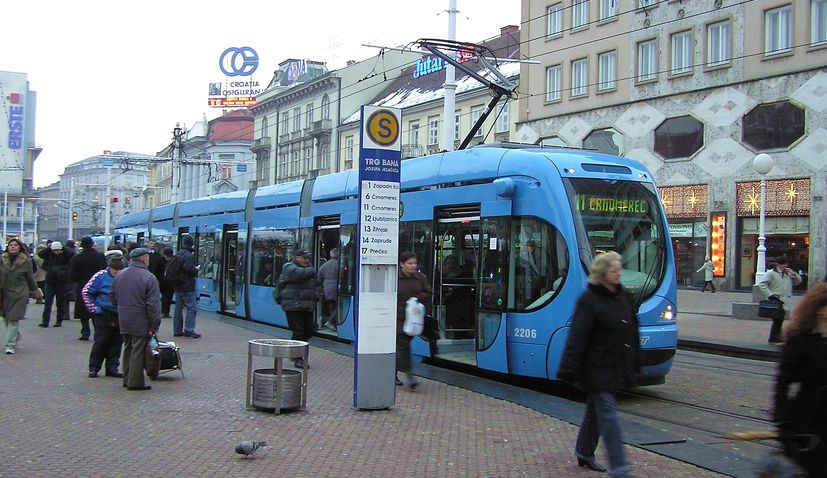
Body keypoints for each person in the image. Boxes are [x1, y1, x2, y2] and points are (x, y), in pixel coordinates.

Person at [557, 251, 639, 478]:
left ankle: (583, 451)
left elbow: (630, 331)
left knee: (595, 411)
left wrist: (633, 362)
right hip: (595, 368)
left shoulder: (622, 296)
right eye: (614, 270)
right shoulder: (589, 300)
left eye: (619, 269)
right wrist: (568, 368)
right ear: (602, 274)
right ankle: (620, 468)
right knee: (610, 417)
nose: (618, 273)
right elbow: (577, 336)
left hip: (614, 365)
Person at [772, 283, 827, 477]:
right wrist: (783, 423)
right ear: (819, 310)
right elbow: (783, 382)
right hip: (809, 421)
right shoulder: (800, 340)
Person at [110, 248, 161, 391]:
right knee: (138, 350)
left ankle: (127, 378)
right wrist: (154, 325)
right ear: (144, 259)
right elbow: (153, 305)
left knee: (128, 348)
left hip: (124, 318)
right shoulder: (149, 277)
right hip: (140, 319)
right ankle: (135, 382)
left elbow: (112, 297)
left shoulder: (120, 274)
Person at [82, 250, 125, 377]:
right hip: (104, 313)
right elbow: (86, 292)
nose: (116, 273)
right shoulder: (100, 276)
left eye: (118, 270)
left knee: (117, 343)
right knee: (101, 341)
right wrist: (95, 309)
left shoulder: (125, 276)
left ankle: (112, 367)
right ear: (109, 267)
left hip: (120, 314)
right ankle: (94, 367)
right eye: (114, 270)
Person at [396, 251, 432, 389]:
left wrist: (417, 298)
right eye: (409, 263)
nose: (413, 266)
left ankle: (393, 371)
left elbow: (428, 292)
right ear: (401, 264)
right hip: (397, 317)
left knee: (402, 347)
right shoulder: (395, 278)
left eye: (414, 263)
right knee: (402, 345)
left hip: (413, 318)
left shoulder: (420, 278)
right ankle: (409, 375)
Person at [277, 249, 318, 368]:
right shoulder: (289, 267)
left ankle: (294, 350)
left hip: (306, 305)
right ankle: (298, 358)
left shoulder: (307, 269)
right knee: (298, 332)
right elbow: (299, 275)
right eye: (305, 258)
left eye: (308, 258)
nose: (307, 261)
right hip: (293, 305)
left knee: (310, 330)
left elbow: (317, 283)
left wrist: (316, 295)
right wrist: (311, 270)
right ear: (296, 257)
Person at [2, 239, 43, 354]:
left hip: (20, 293)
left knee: (13, 319)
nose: (13, 247)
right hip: (4, 293)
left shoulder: (26, 261)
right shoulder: (2, 259)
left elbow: (30, 278)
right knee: (6, 318)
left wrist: (37, 294)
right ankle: (15, 335)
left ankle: (10, 345)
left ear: (20, 247)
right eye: (11, 245)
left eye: (15, 245)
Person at [69, 237, 107, 341]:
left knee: (83, 310)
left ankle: (85, 332)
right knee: (96, 309)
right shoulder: (100, 256)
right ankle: (98, 333)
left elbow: (73, 275)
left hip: (83, 285)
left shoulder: (77, 258)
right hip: (98, 286)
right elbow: (104, 270)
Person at [759, 256, 802, 345]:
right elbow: (762, 284)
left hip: (785, 299)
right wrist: (770, 295)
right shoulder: (771, 273)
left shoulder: (788, 274)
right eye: (783, 264)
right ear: (779, 264)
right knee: (777, 319)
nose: (785, 266)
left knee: (780, 319)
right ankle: (774, 338)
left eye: (786, 264)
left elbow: (798, 282)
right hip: (776, 300)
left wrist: (793, 273)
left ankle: (777, 337)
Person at [38, 240, 75, 327]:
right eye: (54, 250)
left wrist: (63, 247)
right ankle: (45, 321)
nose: (56, 252)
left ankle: (59, 320)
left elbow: (71, 253)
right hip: (50, 281)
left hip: (61, 281)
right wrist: (49, 248)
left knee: (60, 302)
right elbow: (41, 254)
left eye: (58, 250)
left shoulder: (67, 255)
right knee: (48, 302)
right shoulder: (49, 255)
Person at [172, 235, 201, 338]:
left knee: (178, 308)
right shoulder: (188, 255)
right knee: (191, 308)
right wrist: (196, 269)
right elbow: (188, 269)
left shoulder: (178, 253)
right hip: (187, 286)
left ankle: (177, 330)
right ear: (191, 243)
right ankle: (189, 329)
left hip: (178, 285)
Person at [316, 248, 339, 331]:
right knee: (340, 307)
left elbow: (319, 278)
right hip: (336, 289)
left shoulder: (324, 265)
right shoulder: (340, 264)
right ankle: (331, 322)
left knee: (332, 307)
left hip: (327, 289)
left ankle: (334, 325)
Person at [160, 248, 174, 318]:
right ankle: (163, 311)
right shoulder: (161, 260)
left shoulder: (173, 261)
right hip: (163, 282)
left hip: (170, 282)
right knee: (164, 298)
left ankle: (167, 312)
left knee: (169, 298)